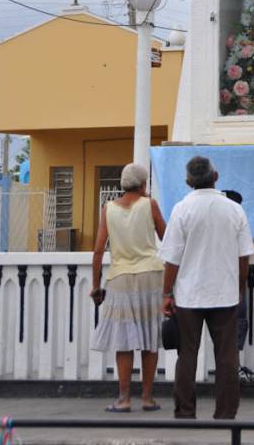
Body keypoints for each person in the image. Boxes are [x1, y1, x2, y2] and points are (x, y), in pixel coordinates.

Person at [160, 156, 254, 419]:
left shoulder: (181, 209)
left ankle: (185, 411)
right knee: (227, 357)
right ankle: (225, 413)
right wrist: (239, 288)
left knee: (187, 355)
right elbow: (244, 255)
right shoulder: (234, 209)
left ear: (188, 181)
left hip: (189, 294)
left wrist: (167, 293)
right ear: (216, 176)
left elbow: (172, 258)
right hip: (225, 293)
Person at [90, 163, 166, 413]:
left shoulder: (108, 209)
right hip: (150, 275)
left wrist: (95, 285)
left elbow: (99, 249)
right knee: (149, 338)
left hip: (120, 277)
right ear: (144, 184)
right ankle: (147, 397)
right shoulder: (150, 204)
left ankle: (123, 399)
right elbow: (167, 237)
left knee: (123, 341)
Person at [222, 189, 254, 384]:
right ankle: (233, 369)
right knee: (237, 322)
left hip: (210, 283)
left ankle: (227, 369)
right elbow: (249, 248)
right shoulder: (237, 220)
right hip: (233, 280)